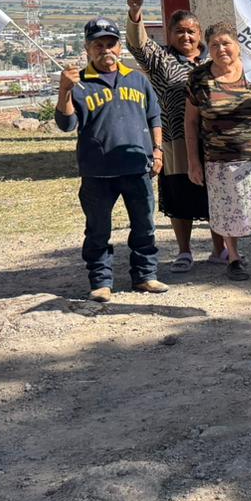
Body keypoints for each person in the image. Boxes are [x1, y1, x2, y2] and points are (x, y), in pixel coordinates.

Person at [55, 18, 168, 302]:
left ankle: (145, 276)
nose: (106, 50)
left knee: (144, 225)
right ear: (87, 48)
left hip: (137, 166)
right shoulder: (80, 83)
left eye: (111, 43)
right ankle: (101, 281)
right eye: (98, 44)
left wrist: (157, 150)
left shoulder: (136, 78)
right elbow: (67, 124)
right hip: (97, 172)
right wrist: (64, 90)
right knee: (98, 229)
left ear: (119, 47)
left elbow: (154, 116)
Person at [125, 0, 226, 272]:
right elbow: (138, 44)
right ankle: (184, 251)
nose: (186, 37)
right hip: (175, 141)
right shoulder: (160, 61)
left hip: (214, 142)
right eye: (179, 32)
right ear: (169, 35)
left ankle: (221, 249)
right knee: (179, 196)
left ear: (199, 34)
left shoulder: (212, 62)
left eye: (191, 31)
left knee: (215, 195)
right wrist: (135, 15)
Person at [185, 22, 251, 282]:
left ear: (238, 46)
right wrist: (193, 162)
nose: (221, 49)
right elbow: (191, 122)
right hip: (221, 159)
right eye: (215, 44)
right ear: (208, 48)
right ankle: (234, 259)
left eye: (226, 43)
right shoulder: (199, 78)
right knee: (228, 211)